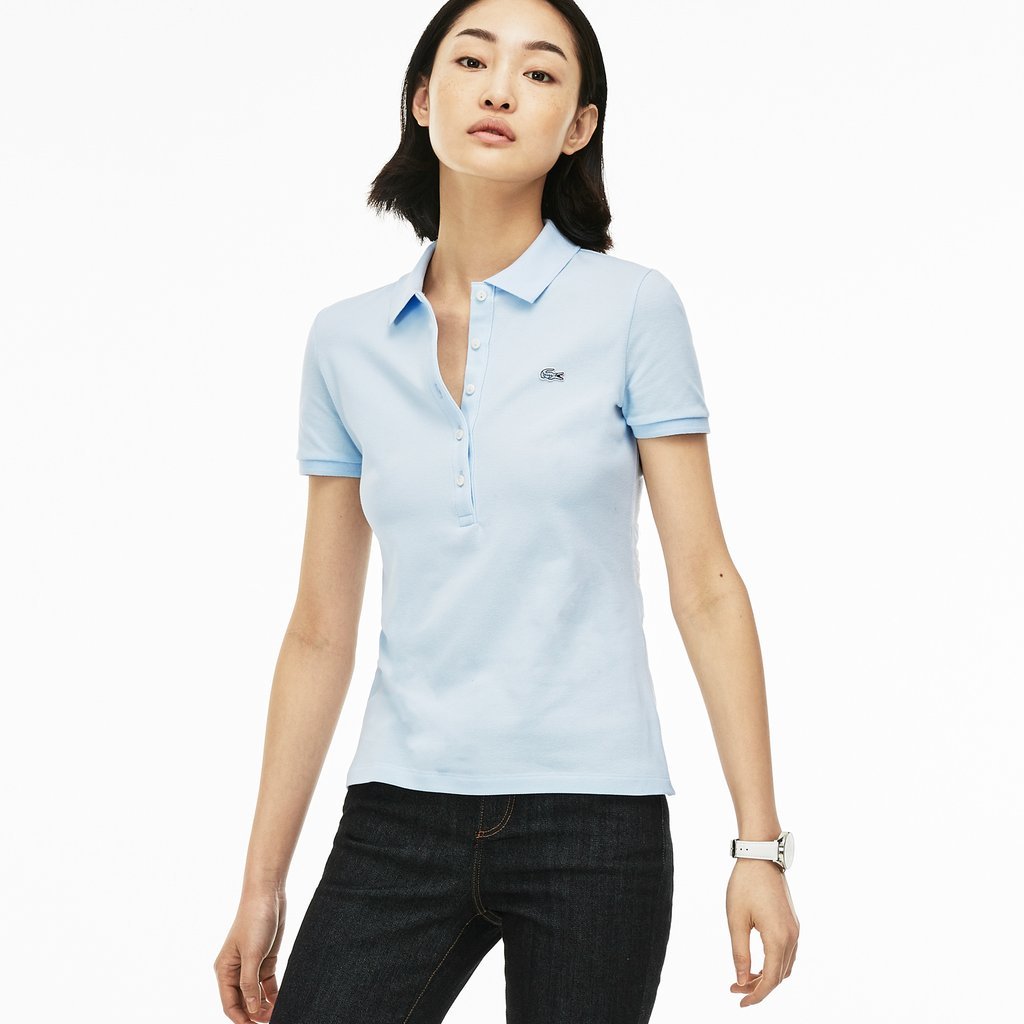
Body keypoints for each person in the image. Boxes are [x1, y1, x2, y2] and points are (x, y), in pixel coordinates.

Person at [213, 0, 800, 1020]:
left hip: (594, 822)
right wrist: (263, 882)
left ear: (578, 125)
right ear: (422, 98)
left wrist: (759, 846)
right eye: (472, 61)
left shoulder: (632, 308)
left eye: (539, 73)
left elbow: (705, 582)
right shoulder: (345, 342)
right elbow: (318, 628)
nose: (498, 89)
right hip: (396, 814)